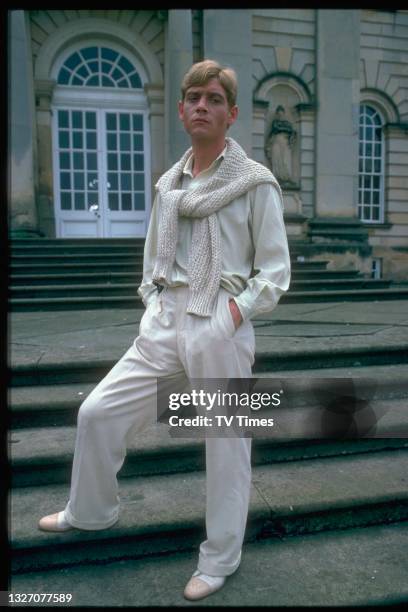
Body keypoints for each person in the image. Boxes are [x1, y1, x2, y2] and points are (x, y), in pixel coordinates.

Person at [38, 59, 291, 601]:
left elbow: (274, 273)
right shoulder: (168, 186)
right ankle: (91, 512)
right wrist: (153, 304)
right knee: (97, 413)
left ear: (231, 114)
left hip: (220, 320)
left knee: (226, 443)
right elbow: (154, 258)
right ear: (181, 110)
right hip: (165, 320)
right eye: (194, 97)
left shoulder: (256, 184)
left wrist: (230, 316)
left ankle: (220, 557)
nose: (202, 105)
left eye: (214, 99)